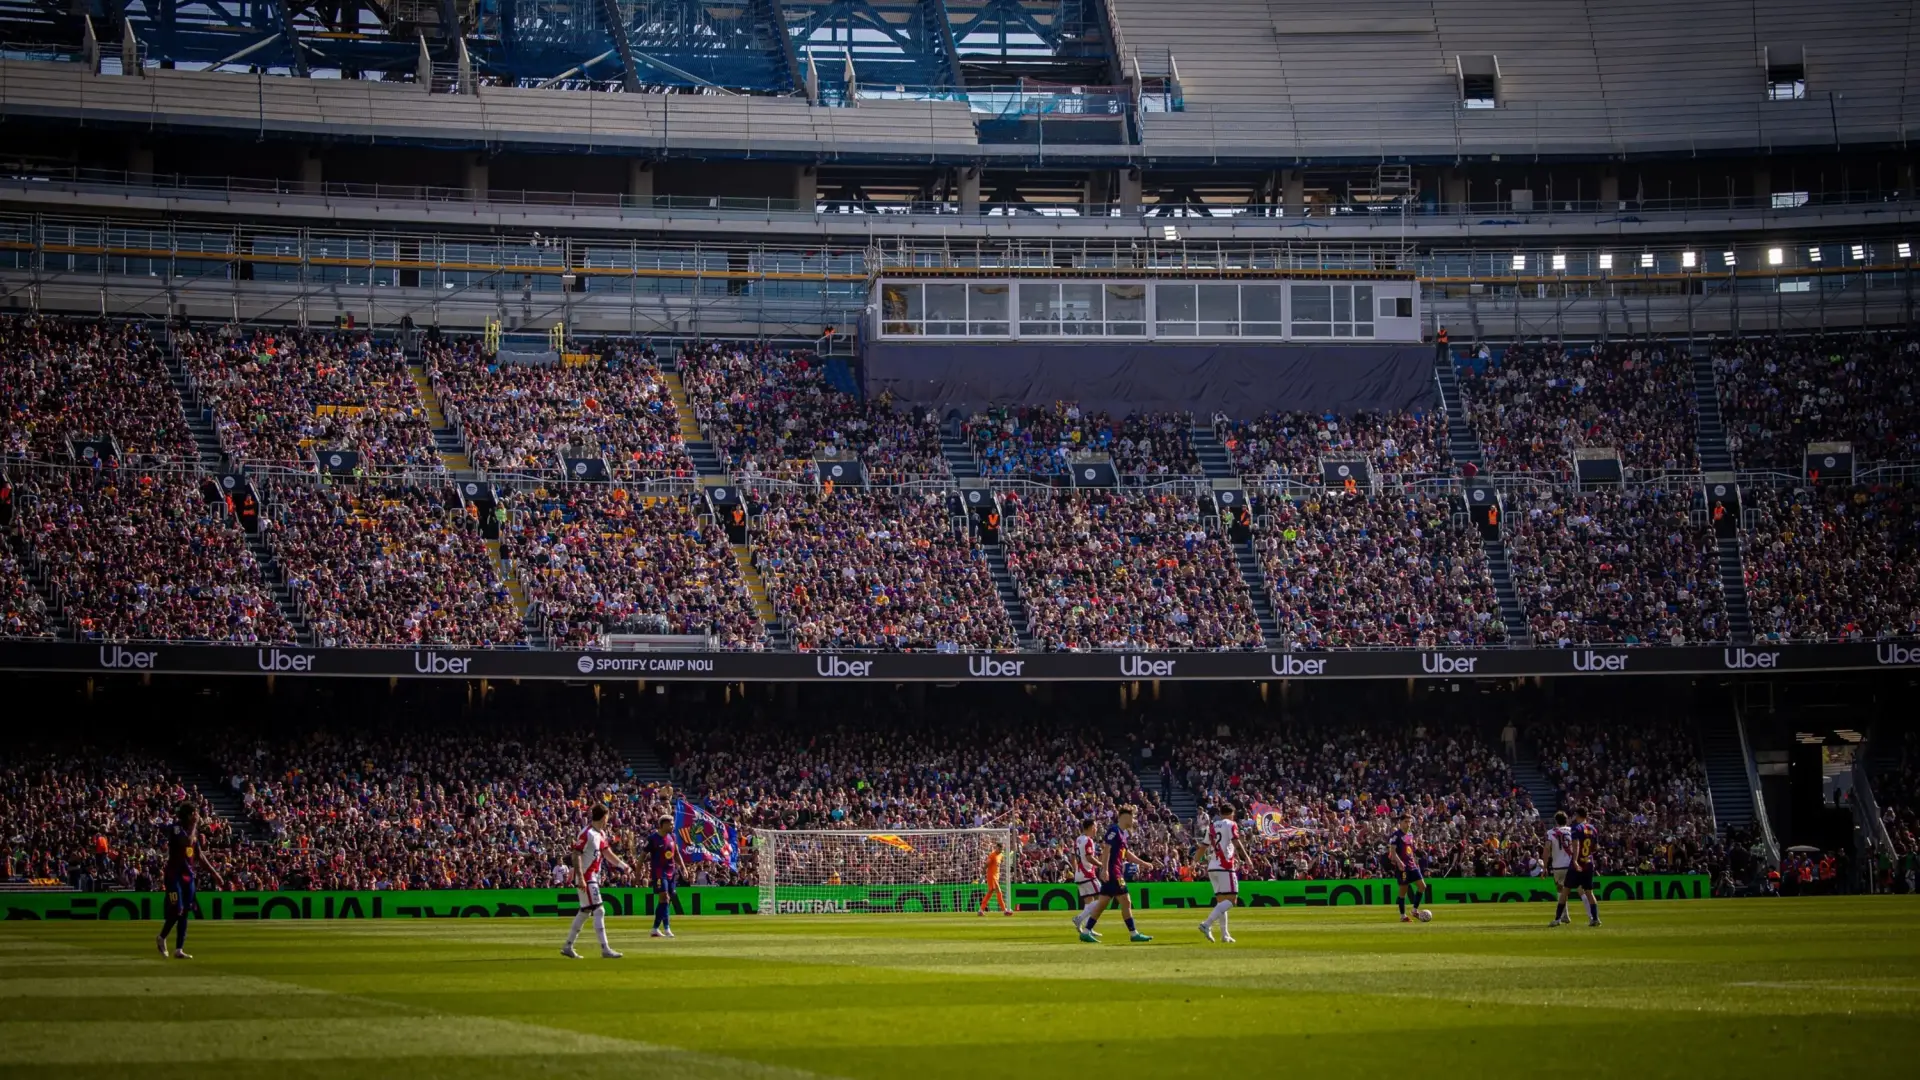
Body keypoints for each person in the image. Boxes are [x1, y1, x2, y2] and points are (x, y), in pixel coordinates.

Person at [155, 803, 223, 960]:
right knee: (177, 908)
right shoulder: (176, 828)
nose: (197, 816)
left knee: (185, 912)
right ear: (188, 815)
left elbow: (199, 856)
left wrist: (215, 874)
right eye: (195, 813)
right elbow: (185, 842)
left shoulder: (193, 832)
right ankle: (162, 937)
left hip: (188, 876)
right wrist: (194, 826)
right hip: (174, 876)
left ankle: (179, 949)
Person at [562, 804, 630, 959]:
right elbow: (576, 854)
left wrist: (623, 866)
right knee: (599, 910)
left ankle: (568, 946)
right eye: (608, 816)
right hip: (586, 876)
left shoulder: (600, 834)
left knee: (585, 911)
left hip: (592, 876)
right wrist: (580, 877)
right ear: (604, 817)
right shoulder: (587, 833)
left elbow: (607, 853)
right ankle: (605, 949)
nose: (608, 819)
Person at [1080, 805, 1153, 943]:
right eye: (1133, 817)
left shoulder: (1122, 833)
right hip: (1114, 872)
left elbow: (1127, 854)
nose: (1134, 820)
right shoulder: (1114, 830)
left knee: (1102, 904)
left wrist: (1144, 863)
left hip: (1114, 871)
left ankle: (1086, 931)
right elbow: (1106, 850)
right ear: (1125, 817)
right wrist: (1105, 869)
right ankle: (1133, 933)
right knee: (1126, 901)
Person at [1198, 800, 1241, 943]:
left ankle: (1224, 934)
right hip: (1225, 866)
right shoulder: (1231, 824)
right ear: (1232, 814)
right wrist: (1246, 858)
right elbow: (1236, 842)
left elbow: (1203, 846)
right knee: (1232, 900)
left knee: (1221, 902)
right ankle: (1206, 924)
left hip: (1212, 866)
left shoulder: (1212, 826)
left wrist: (1194, 862)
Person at [645, 815, 686, 939]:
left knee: (666, 900)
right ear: (663, 825)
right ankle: (667, 928)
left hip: (671, 871)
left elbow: (676, 853)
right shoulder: (653, 838)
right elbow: (642, 855)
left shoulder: (672, 836)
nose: (673, 826)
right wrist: (637, 873)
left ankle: (655, 928)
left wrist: (683, 867)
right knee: (665, 897)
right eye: (670, 824)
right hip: (659, 872)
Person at [1388, 810, 1427, 923]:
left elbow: (1410, 851)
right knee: (1403, 892)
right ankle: (1402, 916)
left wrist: (1415, 861)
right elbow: (1392, 852)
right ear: (1400, 823)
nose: (1408, 824)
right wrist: (1399, 862)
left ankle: (1414, 910)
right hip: (1403, 867)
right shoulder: (1396, 836)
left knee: (1422, 886)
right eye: (1406, 821)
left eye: (1409, 822)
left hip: (1412, 865)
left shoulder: (1410, 834)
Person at [1069, 818, 1103, 936]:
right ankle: (1079, 918)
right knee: (1103, 897)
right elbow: (1089, 857)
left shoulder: (1078, 839)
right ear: (1091, 827)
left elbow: (1072, 857)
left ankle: (1088, 928)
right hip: (1088, 874)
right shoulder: (1088, 840)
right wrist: (1101, 864)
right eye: (1096, 826)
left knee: (1089, 902)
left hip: (1079, 874)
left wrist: (1076, 870)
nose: (1096, 829)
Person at [1568, 807, 1602, 927]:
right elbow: (1596, 847)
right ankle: (1595, 918)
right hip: (1589, 862)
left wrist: (1575, 860)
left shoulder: (1576, 828)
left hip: (1578, 862)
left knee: (1565, 889)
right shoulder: (1593, 828)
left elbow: (1576, 845)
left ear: (1578, 815)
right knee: (1589, 892)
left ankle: (1560, 917)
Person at [1545, 810, 1574, 926]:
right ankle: (1592, 916)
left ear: (1556, 821)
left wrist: (1545, 866)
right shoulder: (1572, 831)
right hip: (1571, 864)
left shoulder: (1551, 832)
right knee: (1582, 890)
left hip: (1558, 866)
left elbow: (1547, 849)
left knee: (1560, 889)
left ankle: (1563, 915)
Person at [977, 840, 1012, 917]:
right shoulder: (992, 855)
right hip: (991, 876)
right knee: (999, 891)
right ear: (996, 848)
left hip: (996, 876)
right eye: (999, 849)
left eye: (1001, 849)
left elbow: (1000, 863)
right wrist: (982, 875)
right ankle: (1005, 910)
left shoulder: (1001, 855)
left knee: (990, 892)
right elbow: (986, 865)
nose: (1000, 850)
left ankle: (981, 910)